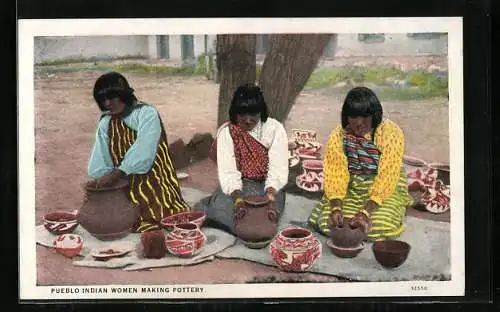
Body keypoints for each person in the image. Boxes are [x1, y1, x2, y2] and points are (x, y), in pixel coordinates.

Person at [86, 71, 190, 233]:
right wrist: (99, 180)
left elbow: (144, 151)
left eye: (112, 97)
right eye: (103, 100)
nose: (107, 103)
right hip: (122, 184)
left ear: (124, 94)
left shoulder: (147, 113)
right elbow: (101, 156)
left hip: (154, 180)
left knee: (158, 216)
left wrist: (115, 175)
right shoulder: (106, 122)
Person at [308, 86, 413, 242]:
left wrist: (365, 212)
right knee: (327, 222)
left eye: (365, 116)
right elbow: (336, 174)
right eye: (353, 117)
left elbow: (388, 175)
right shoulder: (339, 135)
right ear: (346, 117)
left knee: (381, 226)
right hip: (352, 186)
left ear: (375, 115)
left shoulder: (390, 132)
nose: (358, 123)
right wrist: (336, 208)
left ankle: (393, 210)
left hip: (385, 187)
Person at [195, 83, 289, 235]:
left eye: (253, 114)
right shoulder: (228, 133)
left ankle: (224, 218)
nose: (247, 120)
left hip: (268, 187)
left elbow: (278, 169)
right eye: (242, 114)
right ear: (234, 113)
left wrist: (270, 198)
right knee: (231, 213)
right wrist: (238, 200)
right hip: (239, 187)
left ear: (261, 112)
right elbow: (229, 173)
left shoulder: (275, 129)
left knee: (266, 217)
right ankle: (219, 212)